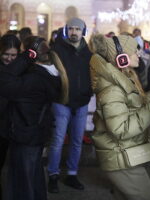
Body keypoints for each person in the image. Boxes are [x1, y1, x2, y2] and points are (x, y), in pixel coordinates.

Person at [89, 34, 150, 200]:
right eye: (135, 51)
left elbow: (132, 105)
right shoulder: (112, 90)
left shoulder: (123, 78)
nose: (139, 54)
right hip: (121, 158)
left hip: (123, 154)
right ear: (121, 58)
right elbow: (121, 128)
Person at [0, 36, 67, 200]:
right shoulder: (47, 75)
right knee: (33, 179)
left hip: (26, 136)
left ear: (31, 53)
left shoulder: (35, 79)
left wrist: (24, 58)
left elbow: (4, 81)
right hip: (33, 134)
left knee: (23, 185)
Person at [47, 17, 92, 193]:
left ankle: (72, 174)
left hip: (81, 103)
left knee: (76, 141)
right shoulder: (57, 50)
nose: (74, 32)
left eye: (78, 29)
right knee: (57, 140)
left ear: (83, 32)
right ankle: (53, 175)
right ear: (67, 30)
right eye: (71, 29)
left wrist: (88, 92)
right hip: (61, 102)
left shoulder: (88, 52)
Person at [0, 34, 21, 200]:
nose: (9, 58)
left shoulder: (22, 70)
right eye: (6, 54)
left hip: (14, 124)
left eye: (13, 55)